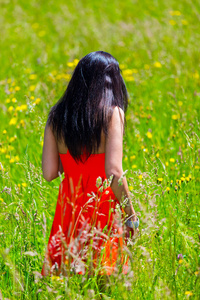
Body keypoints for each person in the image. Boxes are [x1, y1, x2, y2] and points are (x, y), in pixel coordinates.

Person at [41, 51, 139, 277]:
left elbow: (49, 173)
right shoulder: (112, 113)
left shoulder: (56, 116)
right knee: (103, 281)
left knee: (67, 280)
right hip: (101, 206)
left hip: (70, 207)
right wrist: (130, 216)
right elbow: (114, 172)